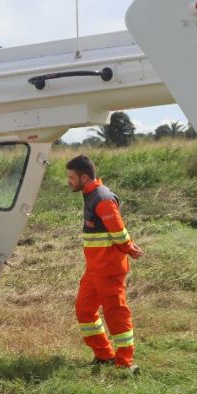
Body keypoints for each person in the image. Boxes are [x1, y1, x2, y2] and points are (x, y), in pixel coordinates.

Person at [65, 155, 144, 374]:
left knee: (115, 314)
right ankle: (104, 355)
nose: (68, 182)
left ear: (84, 177)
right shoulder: (90, 194)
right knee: (84, 310)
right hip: (94, 269)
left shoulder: (102, 198)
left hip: (108, 269)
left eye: (71, 177)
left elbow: (118, 230)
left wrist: (129, 247)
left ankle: (125, 363)